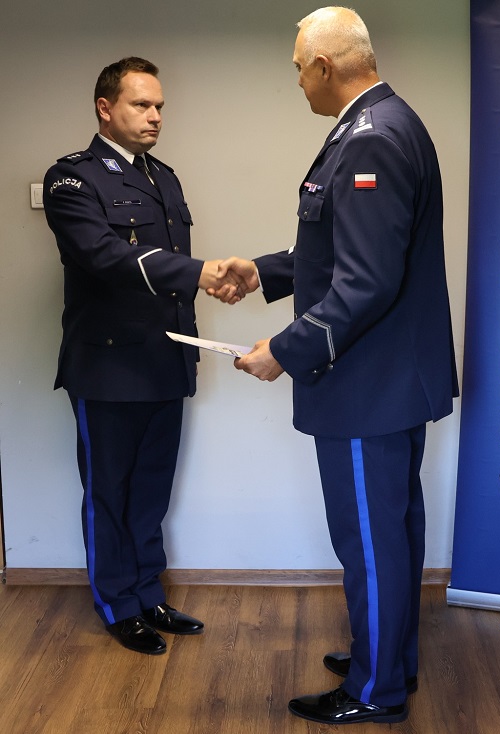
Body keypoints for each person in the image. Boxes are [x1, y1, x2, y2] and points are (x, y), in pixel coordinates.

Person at [216, 7, 458, 726]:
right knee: (393, 532)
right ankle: (390, 660)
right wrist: (263, 272)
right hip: (388, 381)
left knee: (371, 540)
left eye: (299, 68)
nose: (297, 81)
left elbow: (366, 283)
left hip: (365, 385)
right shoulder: (384, 122)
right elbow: (340, 249)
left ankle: (376, 690)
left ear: (325, 66)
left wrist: (283, 352)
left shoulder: (370, 138)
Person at [42, 57, 246, 655]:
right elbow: (104, 256)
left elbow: (167, 271)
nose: (155, 116)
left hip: (166, 358)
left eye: (159, 106)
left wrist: (205, 283)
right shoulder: (72, 179)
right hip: (108, 367)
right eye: (141, 104)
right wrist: (201, 272)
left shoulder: (164, 177)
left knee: (152, 489)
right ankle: (116, 604)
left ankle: (147, 593)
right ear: (105, 108)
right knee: (109, 490)